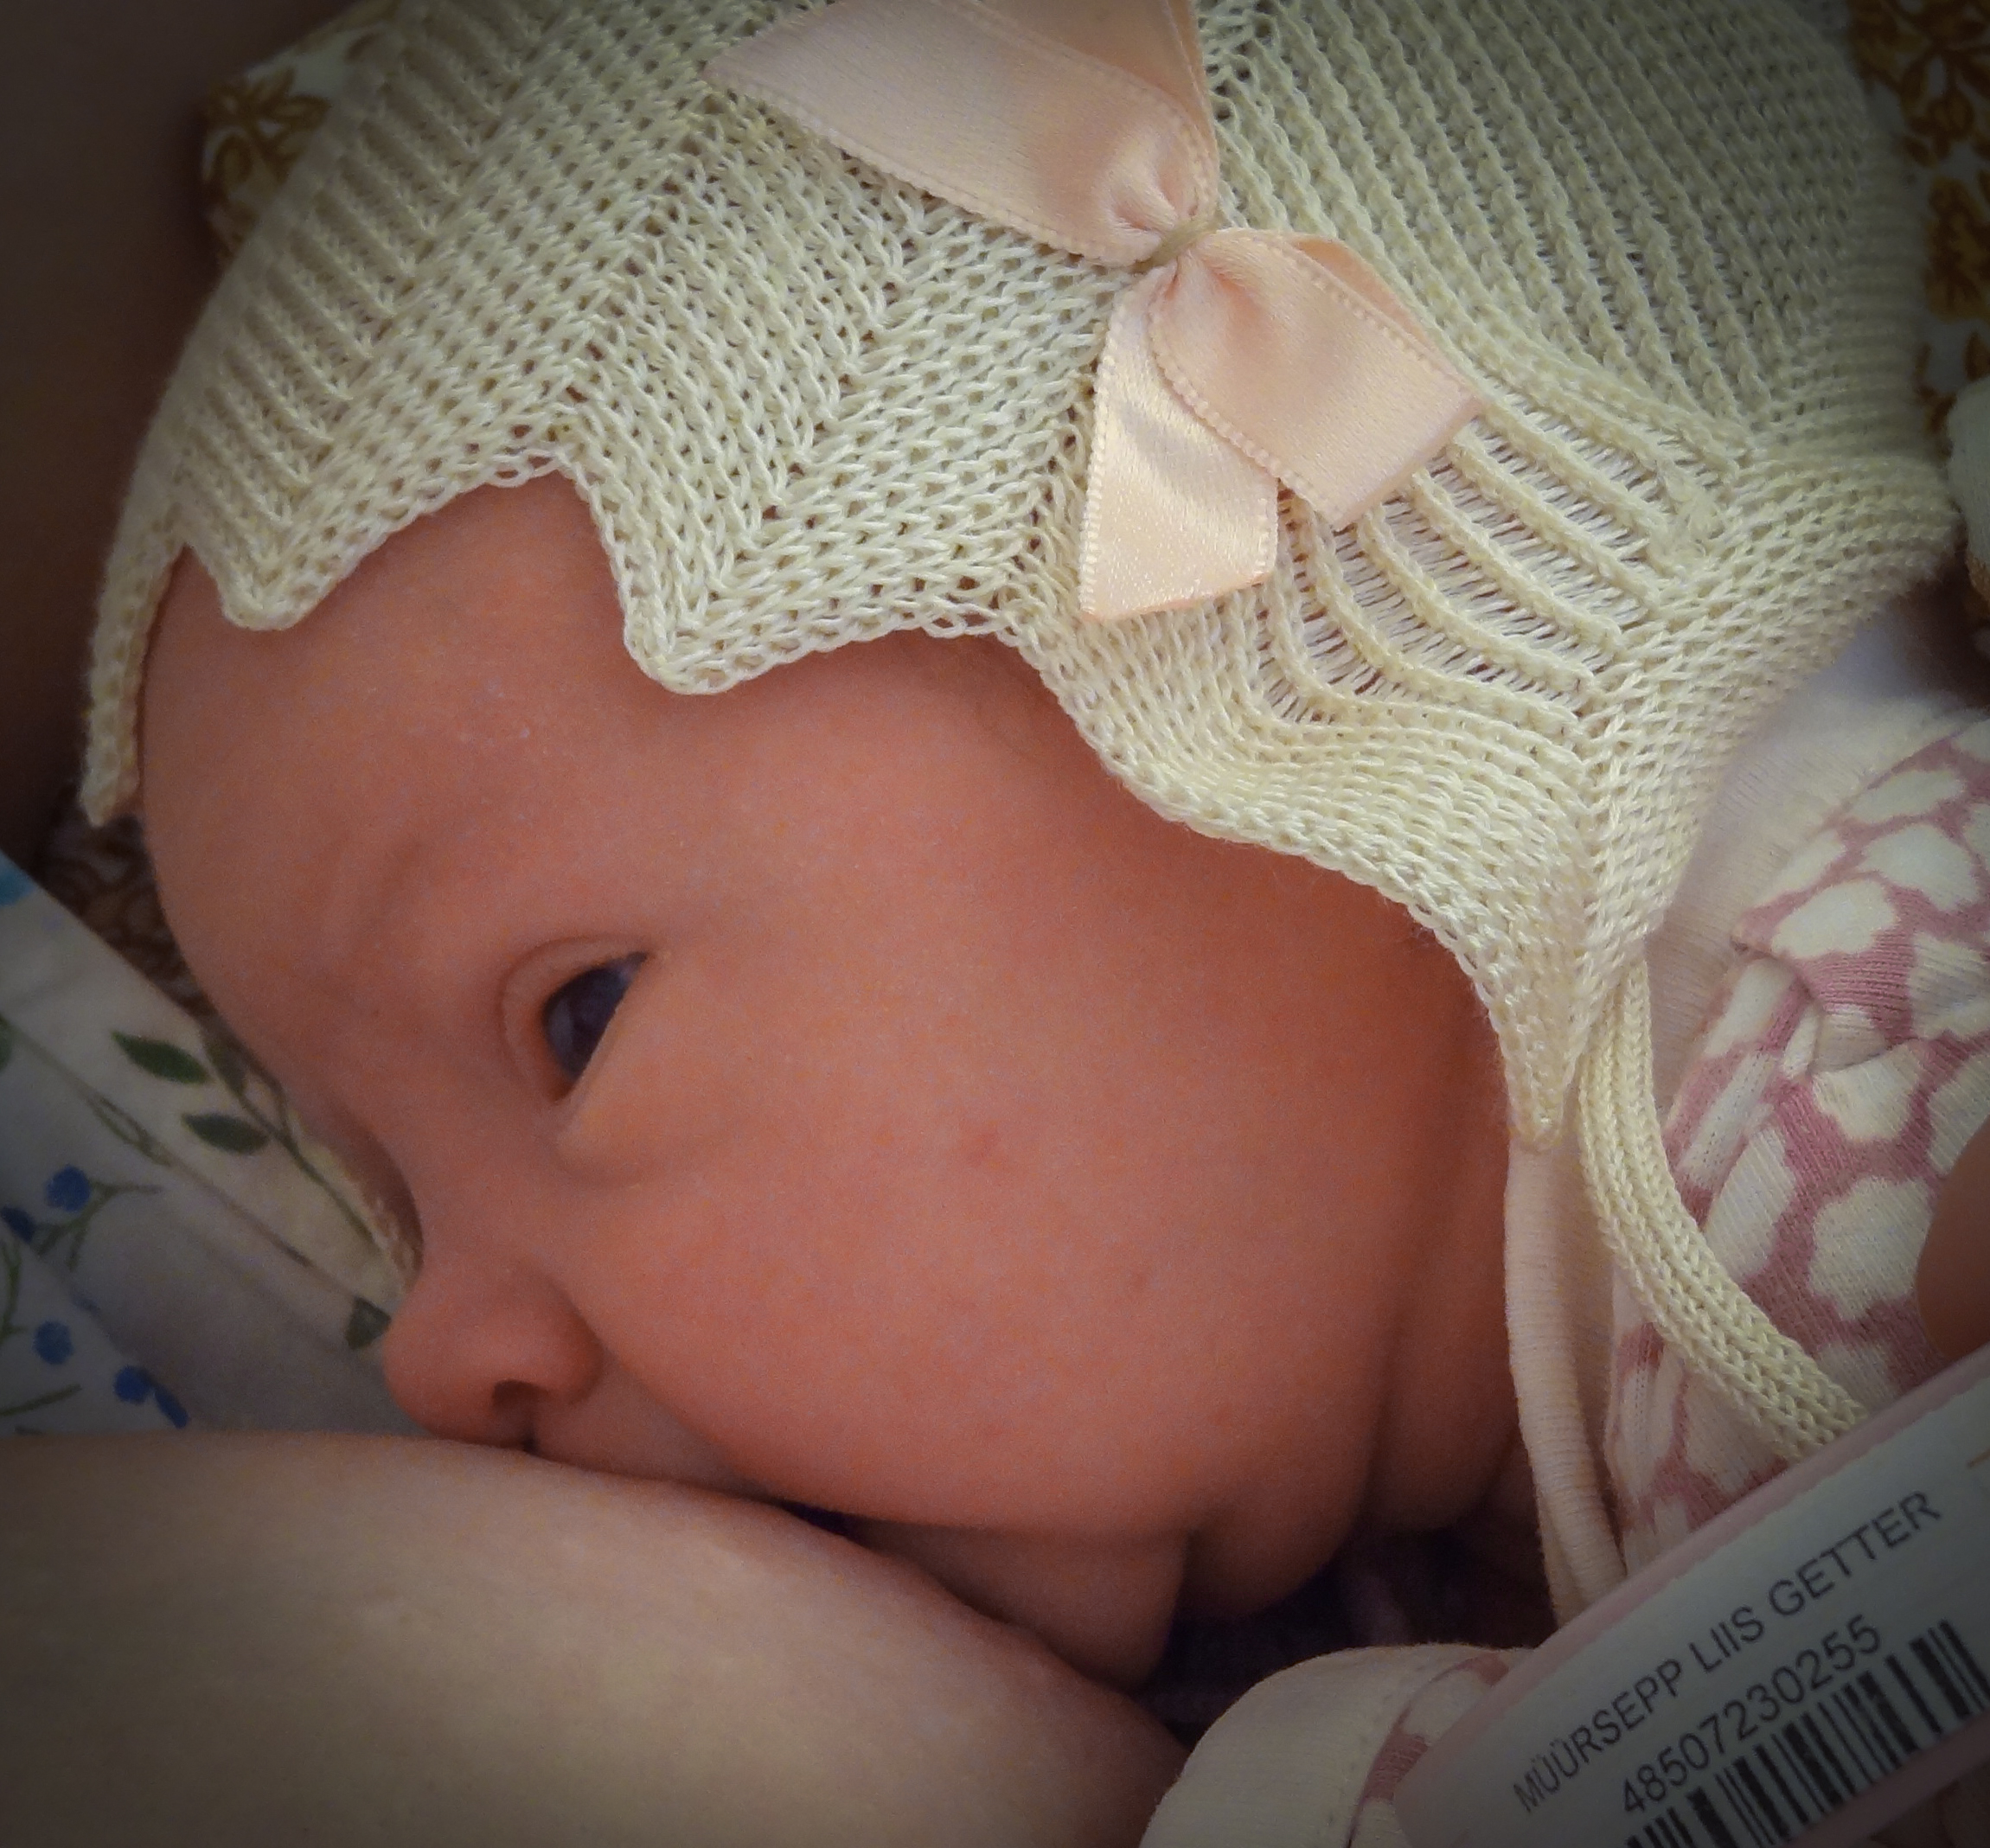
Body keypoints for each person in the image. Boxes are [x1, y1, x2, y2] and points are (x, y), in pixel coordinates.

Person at [12, 0, 1990, 1841]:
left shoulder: (1882, 1056)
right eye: (390, 1195)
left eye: (576, 1017)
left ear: (1299, 689)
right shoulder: (1348, 1531)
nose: (442, 1360)